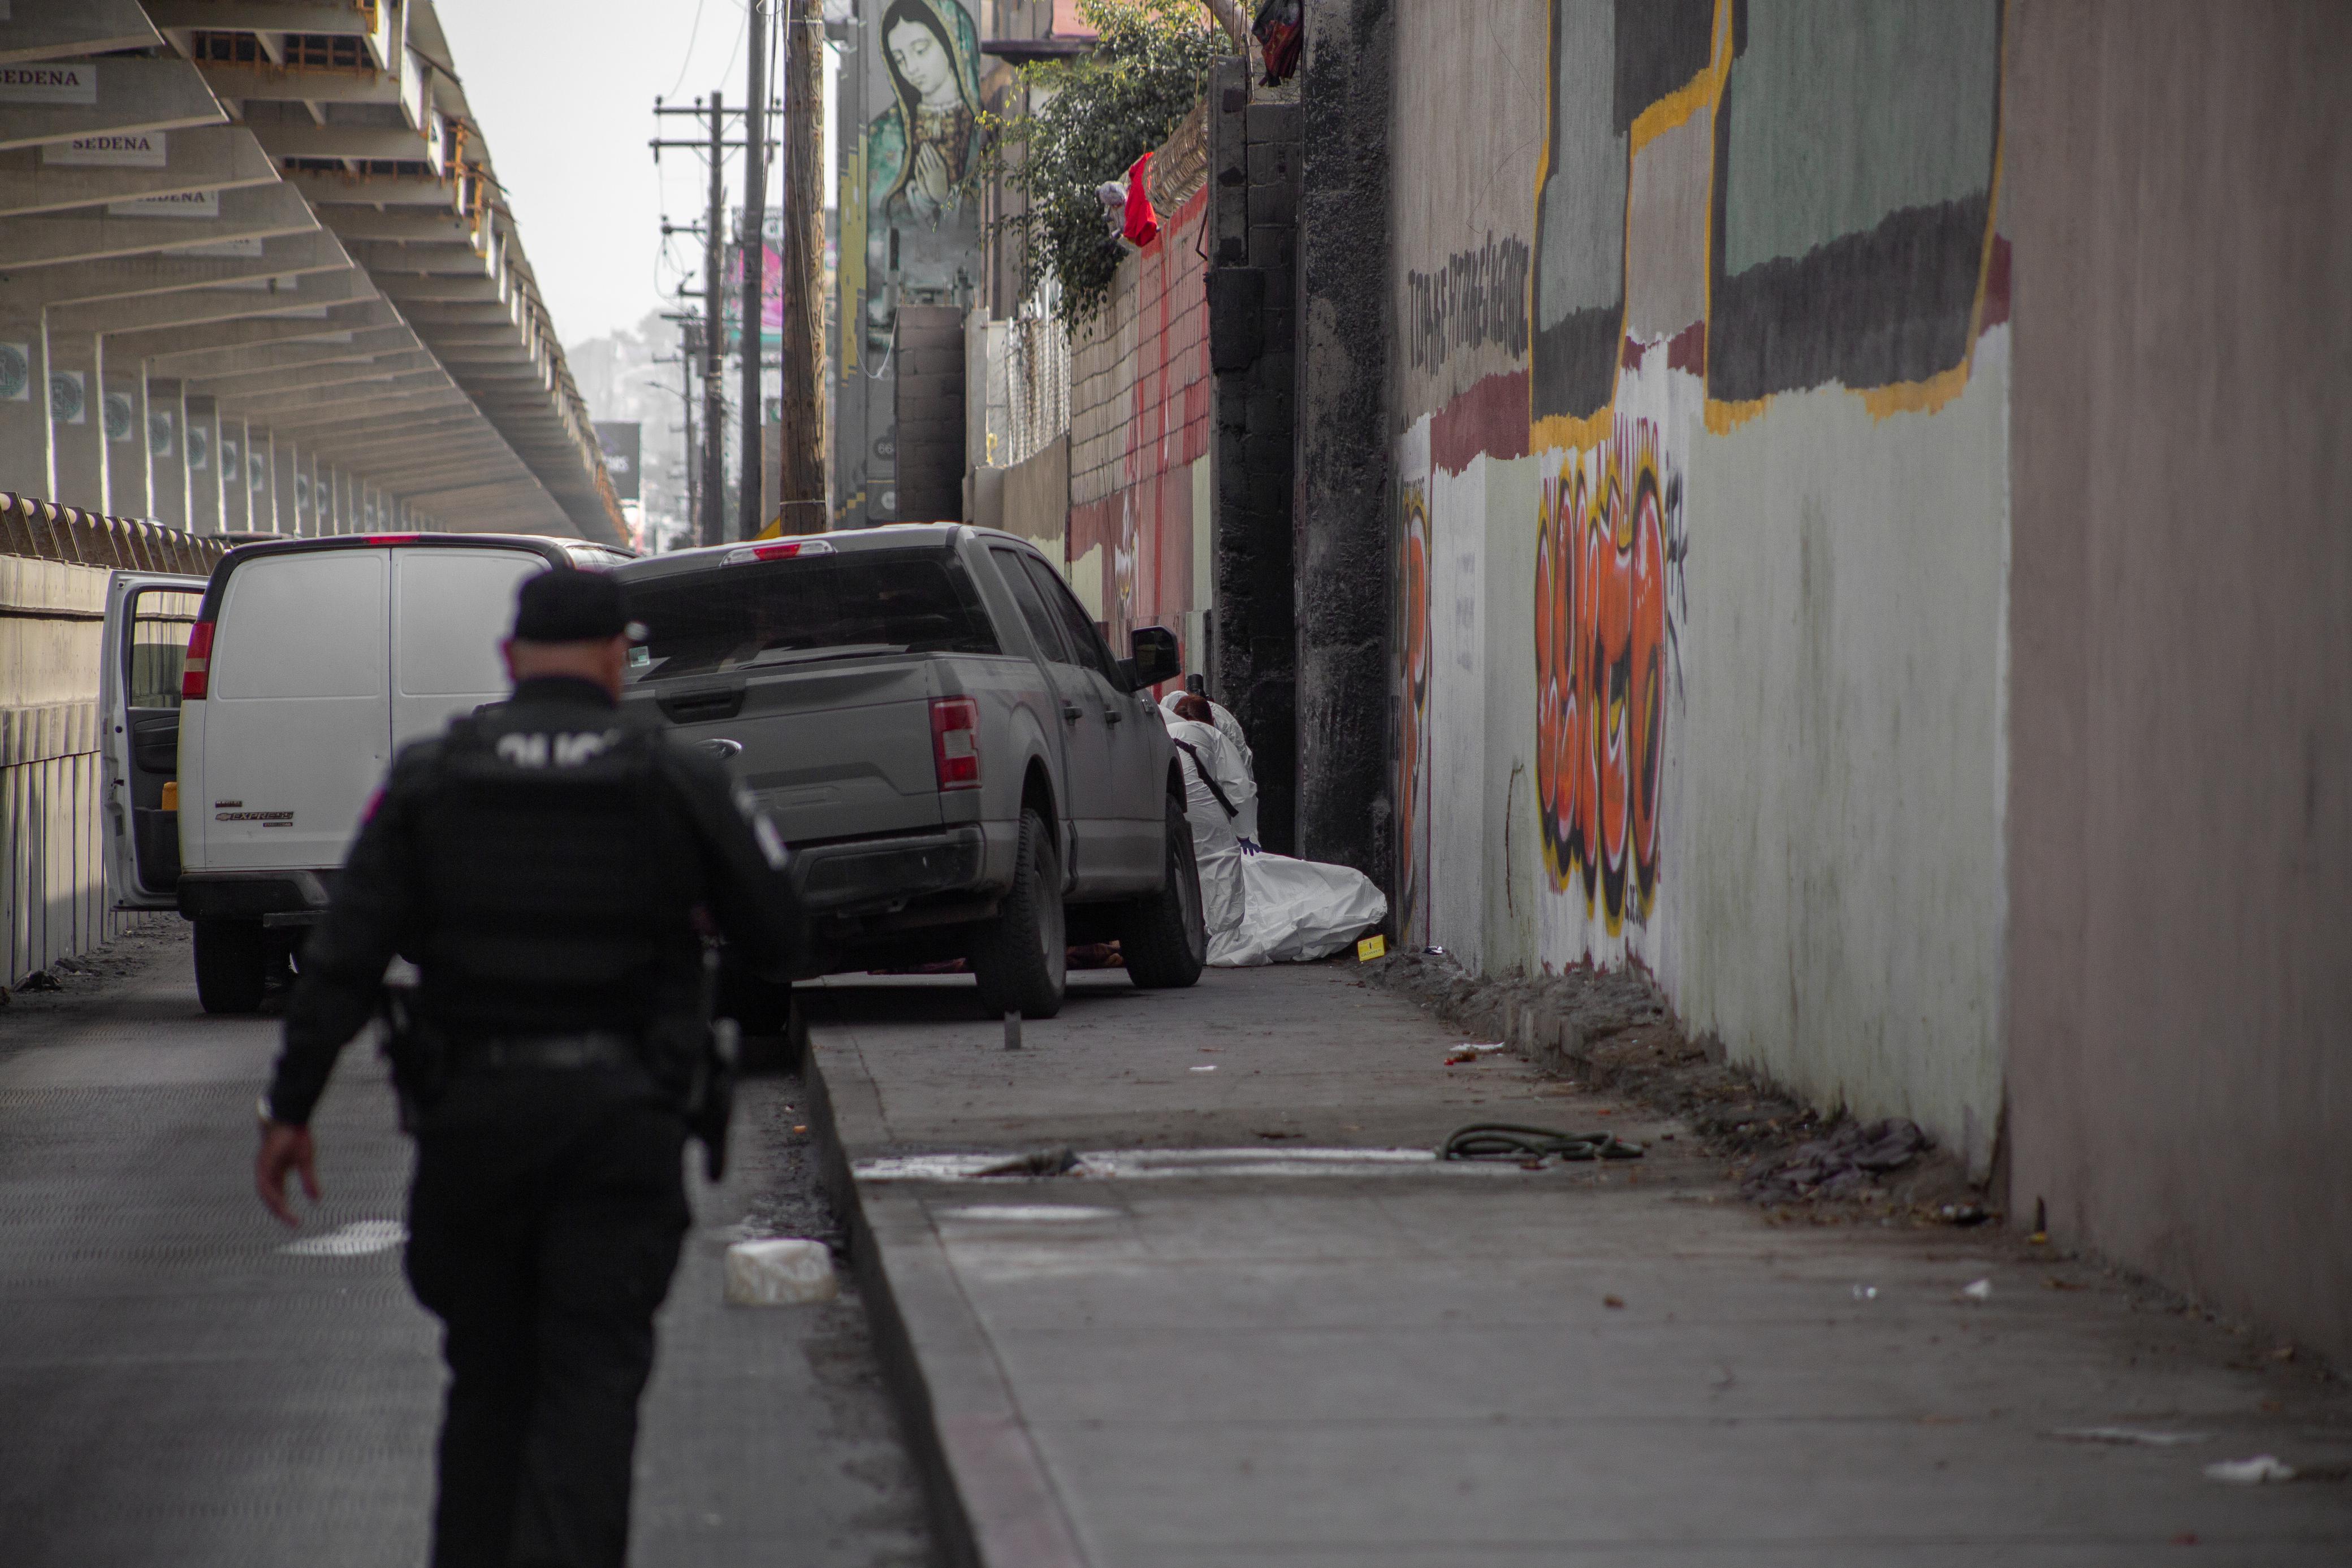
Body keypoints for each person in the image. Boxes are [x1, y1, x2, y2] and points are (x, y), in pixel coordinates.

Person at [253, 569, 801, 1568]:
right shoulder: (676, 775)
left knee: (487, 1388)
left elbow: (344, 956)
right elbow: (781, 930)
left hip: (476, 1126)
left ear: (509, 661)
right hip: (619, 1127)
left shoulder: (432, 776)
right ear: (614, 661)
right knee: (589, 1390)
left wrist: (289, 1108)